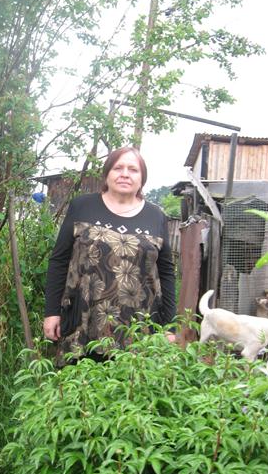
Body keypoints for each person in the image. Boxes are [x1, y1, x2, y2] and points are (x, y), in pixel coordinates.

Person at [43, 146, 176, 365]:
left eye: (133, 169)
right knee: (79, 383)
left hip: (138, 327)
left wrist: (170, 326)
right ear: (107, 174)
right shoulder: (82, 206)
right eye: (118, 168)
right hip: (83, 322)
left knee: (132, 383)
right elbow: (59, 260)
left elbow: (167, 272)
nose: (125, 174)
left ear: (142, 178)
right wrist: (52, 312)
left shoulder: (156, 216)